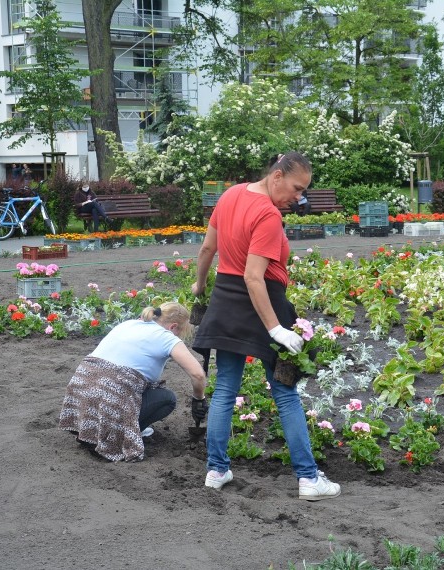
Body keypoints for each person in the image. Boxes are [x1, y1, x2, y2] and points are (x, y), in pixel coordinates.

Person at [191, 152, 341, 501]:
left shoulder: (229, 196)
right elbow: (253, 277)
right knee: (285, 392)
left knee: (226, 388)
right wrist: (276, 329)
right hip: (264, 303)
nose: (298, 197)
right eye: (296, 188)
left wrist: (200, 285)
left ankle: (216, 470)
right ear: (276, 176)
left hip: (226, 303)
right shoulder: (268, 215)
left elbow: (206, 248)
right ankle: (308, 479)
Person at [58, 302, 207, 462]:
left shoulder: (129, 324)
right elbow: (198, 375)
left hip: (82, 387)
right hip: (109, 391)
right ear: (173, 327)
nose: (178, 337)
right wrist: (199, 399)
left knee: (135, 385)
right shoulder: (166, 337)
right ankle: (119, 435)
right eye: (180, 333)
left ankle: (90, 430)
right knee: (167, 399)